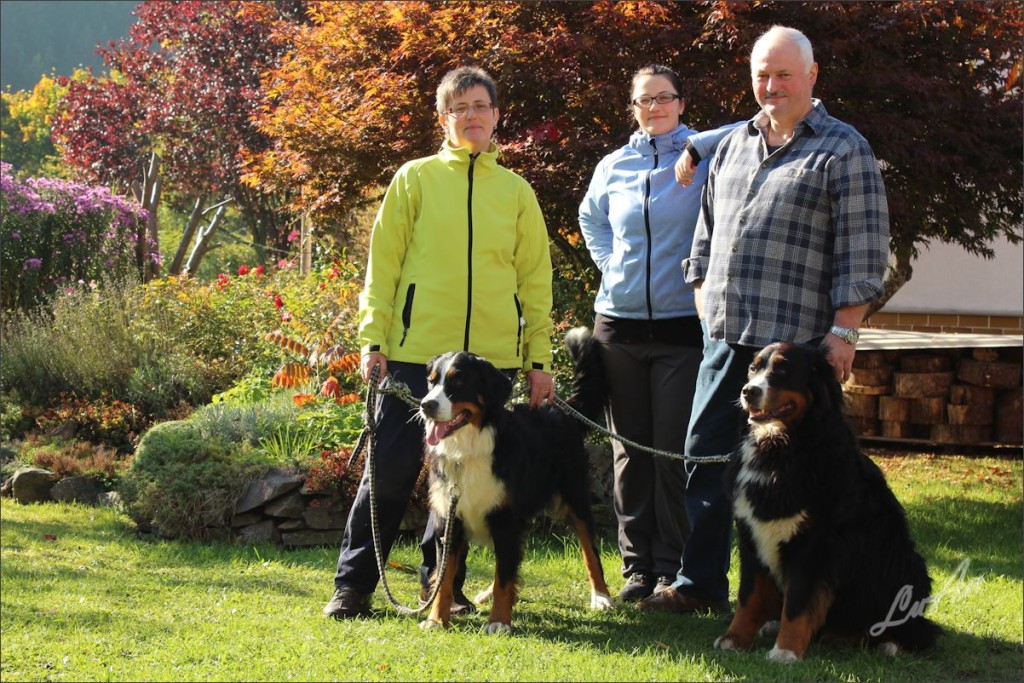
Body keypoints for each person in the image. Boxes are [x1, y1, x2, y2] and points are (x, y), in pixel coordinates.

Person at [638, 26, 889, 614]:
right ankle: (699, 585)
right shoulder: (731, 146)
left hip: (797, 353)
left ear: (811, 76)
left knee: (797, 478)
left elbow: (865, 251)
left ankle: (790, 593)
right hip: (726, 343)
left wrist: (844, 331)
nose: (771, 86)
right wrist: (706, 309)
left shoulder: (843, 148)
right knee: (705, 459)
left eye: (783, 74)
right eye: (761, 74)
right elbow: (702, 241)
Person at [323, 66, 556, 619]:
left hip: (488, 368)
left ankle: (442, 588)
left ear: (497, 115)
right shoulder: (415, 179)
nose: (471, 116)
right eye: (459, 108)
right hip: (413, 358)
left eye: (480, 106)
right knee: (392, 471)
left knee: (460, 481)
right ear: (443, 119)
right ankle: (352, 586)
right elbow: (384, 266)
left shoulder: (517, 192)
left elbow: (535, 282)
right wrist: (372, 340)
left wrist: (539, 360)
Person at [578, 65, 739, 602]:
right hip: (617, 325)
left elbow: (755, 125)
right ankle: (636, 568)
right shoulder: (613, 164)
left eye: (665, 97)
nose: (655, 108)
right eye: (645, 100)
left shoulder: (706, 153)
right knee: (630, 453)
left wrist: (699, 144)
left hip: (680, 327)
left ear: (681, 101)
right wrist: (609, 264)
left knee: (673, 451)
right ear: (632, 107)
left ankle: (674, 568)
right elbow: (591, 217)